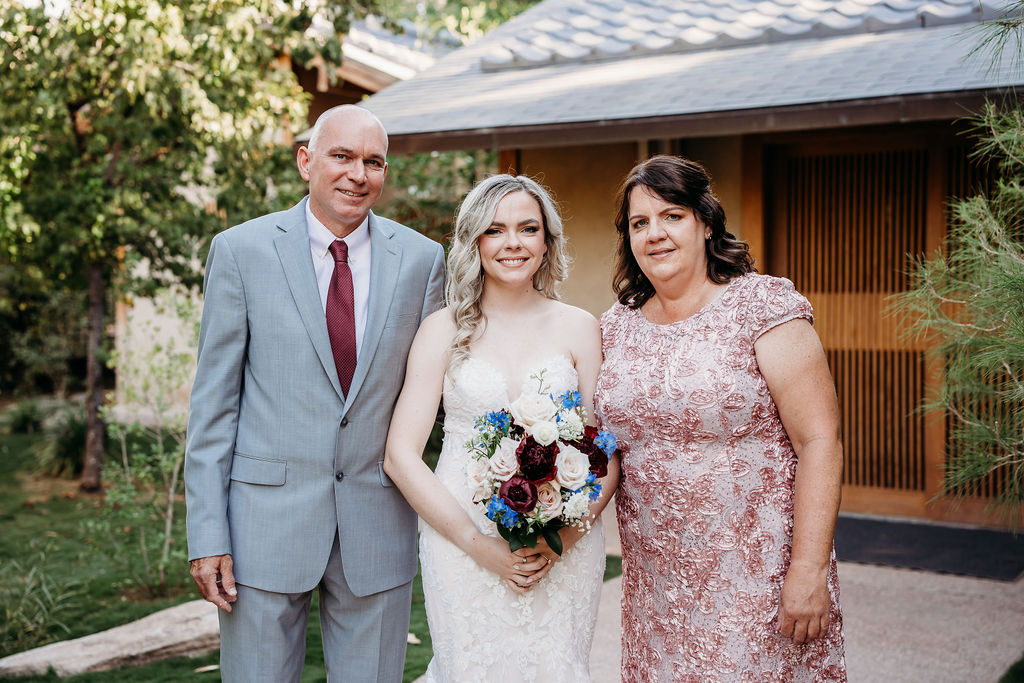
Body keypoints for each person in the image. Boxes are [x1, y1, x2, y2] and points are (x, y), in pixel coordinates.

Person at [184, 105, 445, 682]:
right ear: (306, 161)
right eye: (342, 156)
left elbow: (435, 398)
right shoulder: (240, 251)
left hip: (377, 522)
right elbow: (214, 407)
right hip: (262, 528)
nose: (358, 174)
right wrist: (207, 535)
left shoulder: (424, 261)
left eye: (373, 162)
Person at [594, 155, 847, 681]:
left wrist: (808, 569)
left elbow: (820, 440)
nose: (655, 234)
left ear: (706, 223)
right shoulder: (615, 327)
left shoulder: (762, 305)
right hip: (657, 589)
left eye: (672, 216)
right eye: (639, 223)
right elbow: (605, 450)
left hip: (759, 578)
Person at [382, 174, 620, 682]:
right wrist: (478, 544)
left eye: (527, 228)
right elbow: (400, 456)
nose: (513, 243)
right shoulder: (441, 329)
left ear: (547, 241)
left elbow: (605, 449)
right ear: (474, 241)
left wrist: (566, 539)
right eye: (495, 230)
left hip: (564, 547)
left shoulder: (580, 326)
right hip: (461, 538)